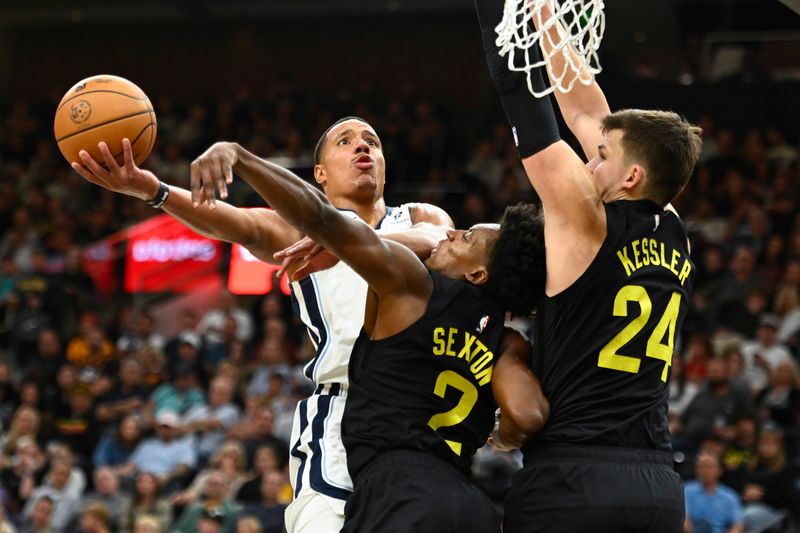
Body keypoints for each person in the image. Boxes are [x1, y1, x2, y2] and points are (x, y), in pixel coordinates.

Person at [71, 116, 453, 533]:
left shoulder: (418, 214)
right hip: (346, 408)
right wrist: (151, 189)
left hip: (424, 410)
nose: (363, 147)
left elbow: (439, 243)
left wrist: (342, 244)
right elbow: (233, 221)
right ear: (320, 175)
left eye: (372, 142)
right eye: (345, 141)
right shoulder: (295, 230)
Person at [186, 129, 548, 532]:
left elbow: (322, 218)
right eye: (346, 141)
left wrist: (333, 238)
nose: (451, 235)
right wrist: (500, 433)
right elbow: (528, 415)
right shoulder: (508, 340)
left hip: (394, 479)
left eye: (464, 236)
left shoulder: (411, 280)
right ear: (321, 172)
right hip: (465, 494)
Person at [475, 0, 702, 531]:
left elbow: (522, 104)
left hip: (573, 477)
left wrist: (495, 13)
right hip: (657, 486)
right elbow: (584, 111)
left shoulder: (584, 220)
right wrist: (544, 16)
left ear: (631, 177)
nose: (590, 160)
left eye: (602, 155)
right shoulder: (675, 231)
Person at [684, 452, 744, 533]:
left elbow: (738, 524)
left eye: (709, 466)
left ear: (719, 471)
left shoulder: (730, 496)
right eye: (700, 467)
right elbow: (684, 519)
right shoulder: (686, 491)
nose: (705, 470)